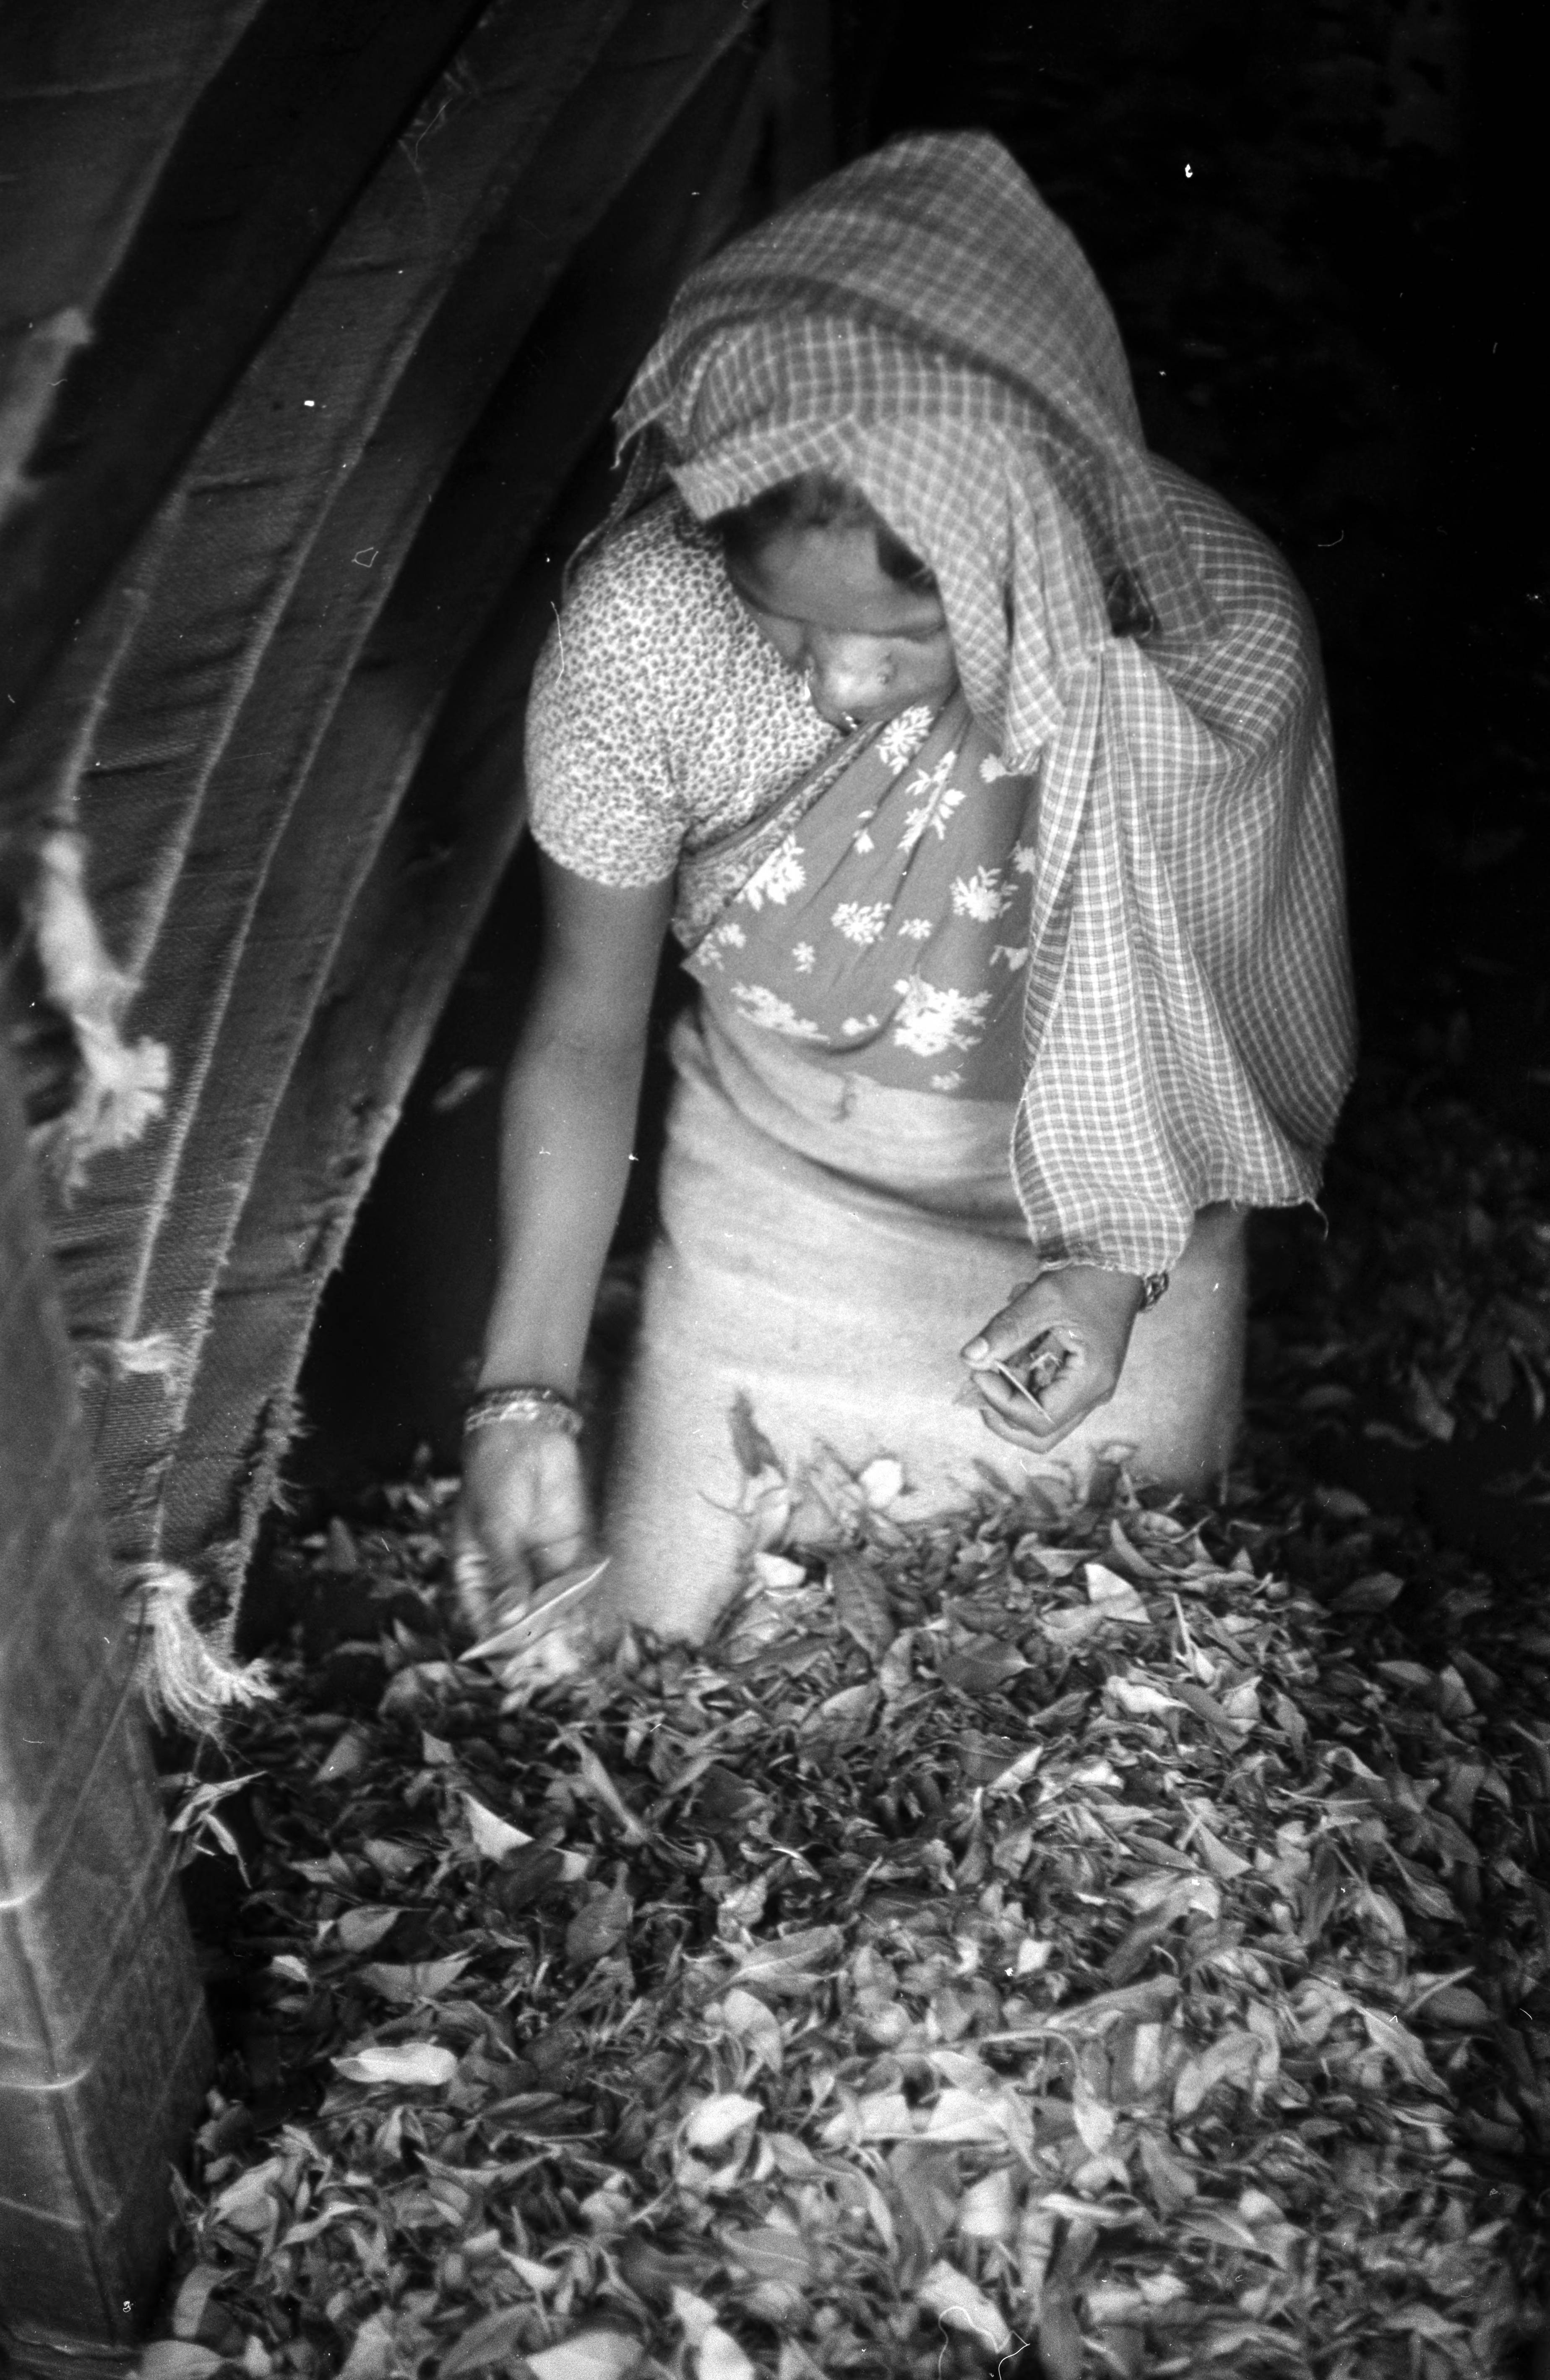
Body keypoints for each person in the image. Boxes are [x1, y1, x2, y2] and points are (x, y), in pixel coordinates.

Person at [454, 131, 1355, 1647]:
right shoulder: (644, 636)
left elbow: (1226, 1041)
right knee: (701, 1682)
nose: (852, 684)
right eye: (791, 629)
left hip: (1123, 1247)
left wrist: (1114, 1275)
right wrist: (523, 1391)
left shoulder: (1213, 644)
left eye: (906, 635)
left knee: (1102, 1730)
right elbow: (588, 1025)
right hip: (778, 1197)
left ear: (1026, 558)